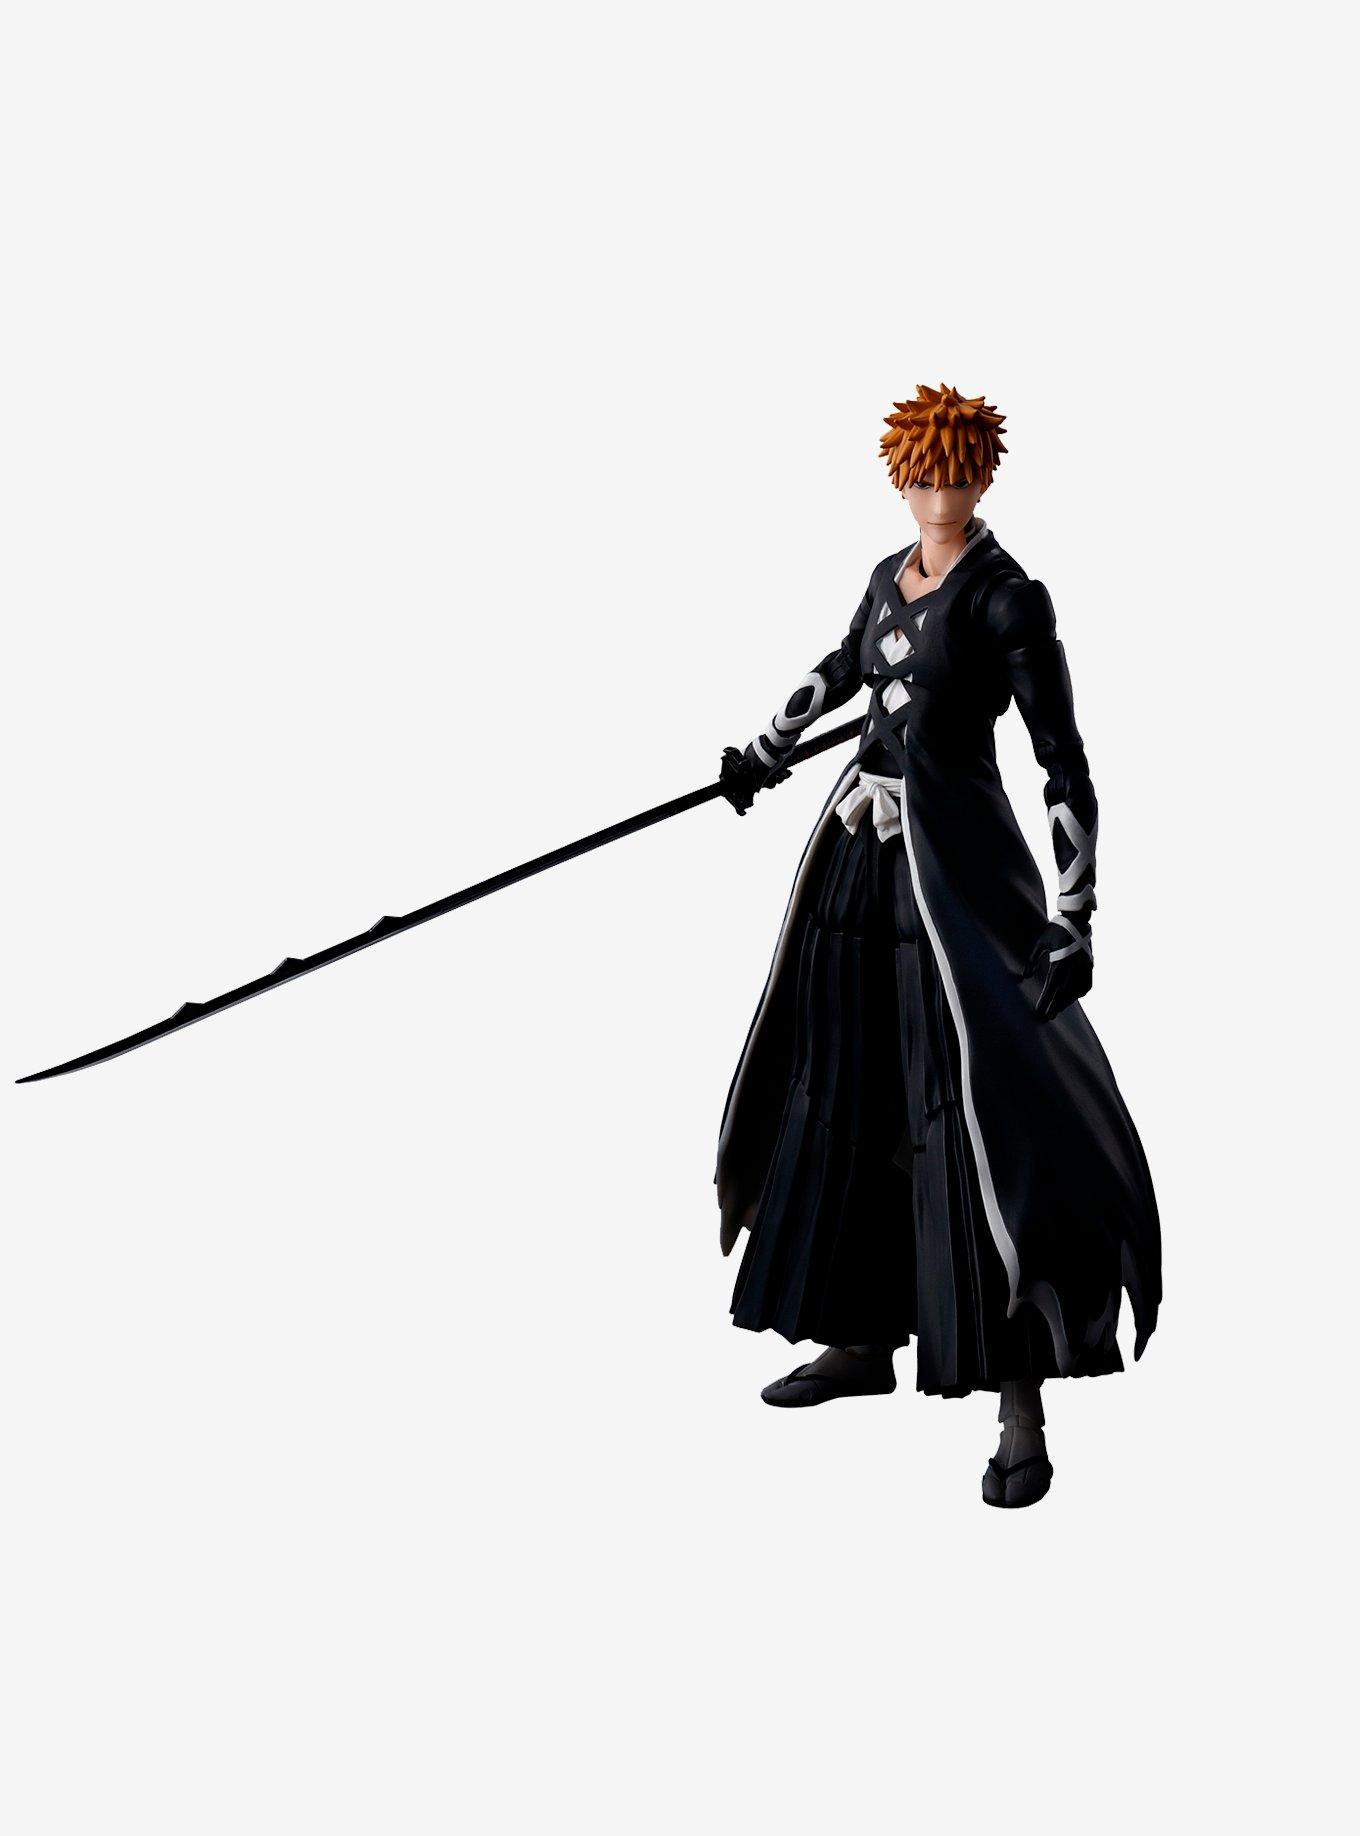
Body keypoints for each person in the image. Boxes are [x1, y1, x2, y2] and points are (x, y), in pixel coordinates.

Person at [716, 382, 1161, 1508]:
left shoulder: (1008, 599)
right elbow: (842, 669)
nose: (939, 487)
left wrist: (1074, 914)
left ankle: (1019, 1403)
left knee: (970, 1111)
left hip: (955, 875)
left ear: (982, 474)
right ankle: (859, 1335)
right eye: (922, 470)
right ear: (901, 477)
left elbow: (1064, 764)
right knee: (844, 1086)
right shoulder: (886, 577)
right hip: (860, 862)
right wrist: (763, 751)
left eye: (956, 468)